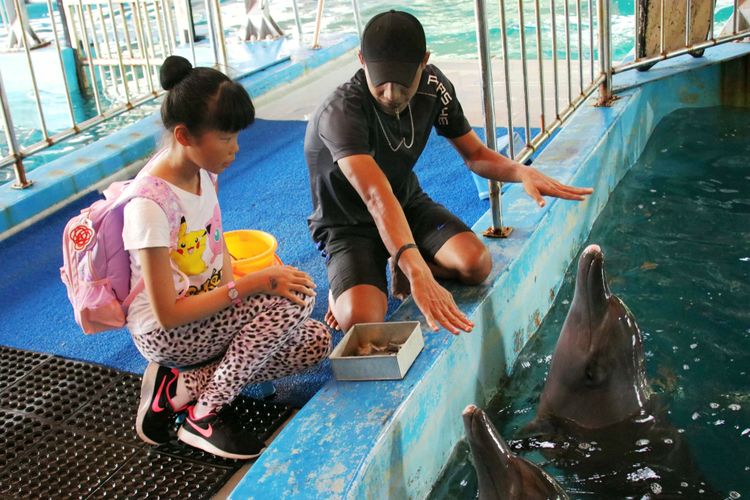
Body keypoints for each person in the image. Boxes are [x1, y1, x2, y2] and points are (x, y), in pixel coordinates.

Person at [304, 10, 593, 336]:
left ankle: (398, 259)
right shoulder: (341, 111)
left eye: (401, 84)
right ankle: (343, 285)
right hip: (348, 225)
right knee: (362, 320)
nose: (390, 95)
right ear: (361, 60)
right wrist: (416, 272)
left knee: (476, 265)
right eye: (380, 83)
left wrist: (519, 171)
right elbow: (374, 196)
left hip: (405, 203)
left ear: (424, 62)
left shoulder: (434, 87)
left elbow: (475, 154)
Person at [124, 55, 331, 460]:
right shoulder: (149, 206)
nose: (236, 149)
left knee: (314, 342)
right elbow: (166, 313)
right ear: (184, 136)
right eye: (225, 137)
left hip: (205, 321)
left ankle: (182, 387)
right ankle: (203, 416)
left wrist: (255, 281)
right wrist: (253, 287)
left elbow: (214, 250)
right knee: (298, 294)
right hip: (169, 334)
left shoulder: (202, 171)